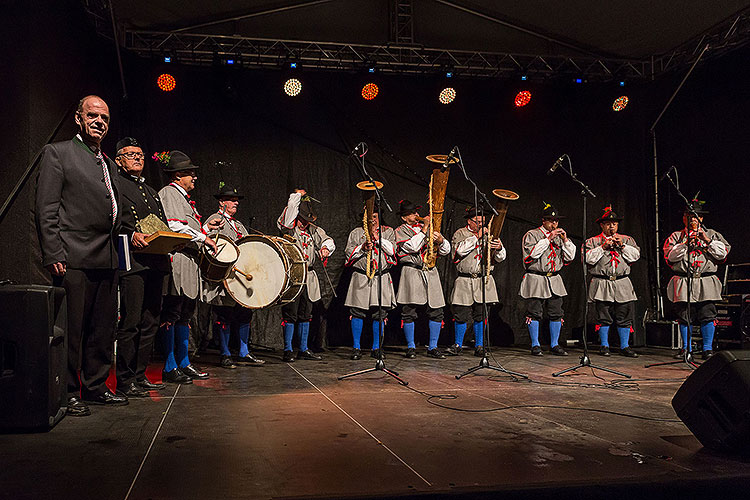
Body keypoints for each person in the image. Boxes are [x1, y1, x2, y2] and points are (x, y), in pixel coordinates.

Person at [35, 95, 127, 416]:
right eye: (93, 115)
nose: (99, 121)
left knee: (103, 329)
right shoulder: (58, 153)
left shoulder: (109, 162)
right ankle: (69, 390)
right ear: (79, 118)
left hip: (107, 256)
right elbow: (46, 208)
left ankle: (97, 385)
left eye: (104, 117)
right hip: (72, 256)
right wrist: (52, 251)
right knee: (72, 330)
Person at [114, 137, 171, 397]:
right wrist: (129, 232)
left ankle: (139, 375)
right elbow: (112, 219)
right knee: (132, 321)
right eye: (130, 154)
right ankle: (125, 380)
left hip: (156, 261)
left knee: (150, 321)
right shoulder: (116, 185)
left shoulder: (149, 190)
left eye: (140, 154)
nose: (137, 158)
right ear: (119, 160)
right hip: (132, 261)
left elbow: (160, 225)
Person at [158, 150, 220, 383]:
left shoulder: (183, 198)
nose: (194, 177)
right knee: (172, 312)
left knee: (184, 314)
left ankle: (183, 362)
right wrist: (204, 238)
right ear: (177, 176)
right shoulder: (169, 193)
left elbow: (187, 227)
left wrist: (205, 228)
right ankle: (169, 365)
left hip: (189, 261)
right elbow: (175, 226)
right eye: (189, 173)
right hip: (178, 261)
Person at [203, 184, 265, 369]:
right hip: (225, 276)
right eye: (232, 200)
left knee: (245, 313)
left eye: (236, 200)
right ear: (222, 202)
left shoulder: (238, 224)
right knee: (224, 314)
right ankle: (225, 353)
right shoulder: (215, 219)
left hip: (241, 277)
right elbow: (211, 245)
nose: (236, 202)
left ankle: (244, 352)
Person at [664, 198, 730, 359]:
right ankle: (687, 349)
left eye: (696, 216)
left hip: (705, 280)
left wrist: (706, 241)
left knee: (708, 313)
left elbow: (722, 254)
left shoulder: (713, 234)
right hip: (684, 281)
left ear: (701, 218)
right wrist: (686, 243)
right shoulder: (677, 236)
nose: (693, 219)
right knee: (684, 315)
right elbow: (671, 257)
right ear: (684, 218)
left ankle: (707, 349)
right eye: (689, 216)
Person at [277, 189, 335, 362]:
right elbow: (291, 210)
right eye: (303, 219)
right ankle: (288, 349)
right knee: (290, 313)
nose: (305, 223)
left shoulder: (313, 230)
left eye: (308, 220)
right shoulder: (289, 227)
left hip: (309, 276)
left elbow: (328, 240)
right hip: (293, 276)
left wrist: (325, 248)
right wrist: (297, 196)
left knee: (305, 313)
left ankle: (303, 348)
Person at [395, 200, 451, 358]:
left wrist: (441, 241)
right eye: (412, 213)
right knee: (409, 310)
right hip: (412, 271)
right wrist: (425, 228)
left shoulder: (427, 229)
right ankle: (411, 346)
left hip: (430, 271)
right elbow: (411, 247)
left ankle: (433, 347)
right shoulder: (400, 230)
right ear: (404, 218)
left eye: (417, 212)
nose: (417, 216)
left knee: (436, 310)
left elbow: (446, 251)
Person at [447, 206, 506, 357]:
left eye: (483, 222)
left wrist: (499, 248)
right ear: (469, 221)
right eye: (478, 222)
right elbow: (460, 251)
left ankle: (480, 345)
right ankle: (458, 344)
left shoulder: (489, 234)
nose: (481, 224)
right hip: (465, 279)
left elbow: (501, 258)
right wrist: (478, 236)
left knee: (481, 313)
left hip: (482, 279)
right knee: (461, 313)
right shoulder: (460, 233)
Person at [519, 203, 576, 356]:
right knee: (534, 311)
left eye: (556, 221)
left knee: (556, 312)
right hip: (536, 278)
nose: (554, 224)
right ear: (543, 221)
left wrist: (565, 241)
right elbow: (532, 254)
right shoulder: (532, 235)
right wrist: (548, 239)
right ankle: (535, 344)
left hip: (554, 279)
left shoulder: (559, 237)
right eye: (551, 220)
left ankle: (555, 344)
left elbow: (570, 257)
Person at [584, 206, 640, 358]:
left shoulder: (628, 240)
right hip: (602, 282)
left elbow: (635, 256)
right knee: (604, 315)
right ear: (602, 225)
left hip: (622, 282)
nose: (611, 226)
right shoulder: (593, 241)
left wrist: (622, 246)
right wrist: (603, 247)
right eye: (608, 223)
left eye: (614, 223)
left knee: (624, 315)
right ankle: (604, 345)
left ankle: (625, 346)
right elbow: (588, 258)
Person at [344, 204, 397, 360]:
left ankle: (376, 348)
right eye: (368, 217)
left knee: (379, 314)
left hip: (381, 277)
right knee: (357, 312)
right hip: (361, 276)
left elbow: (392, 251)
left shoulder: (388, 232)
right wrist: (362, 247)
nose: (371, 220)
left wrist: (377, 238)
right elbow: (348, 254)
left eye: (374, 216)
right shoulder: (356, 232)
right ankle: (356, 347)